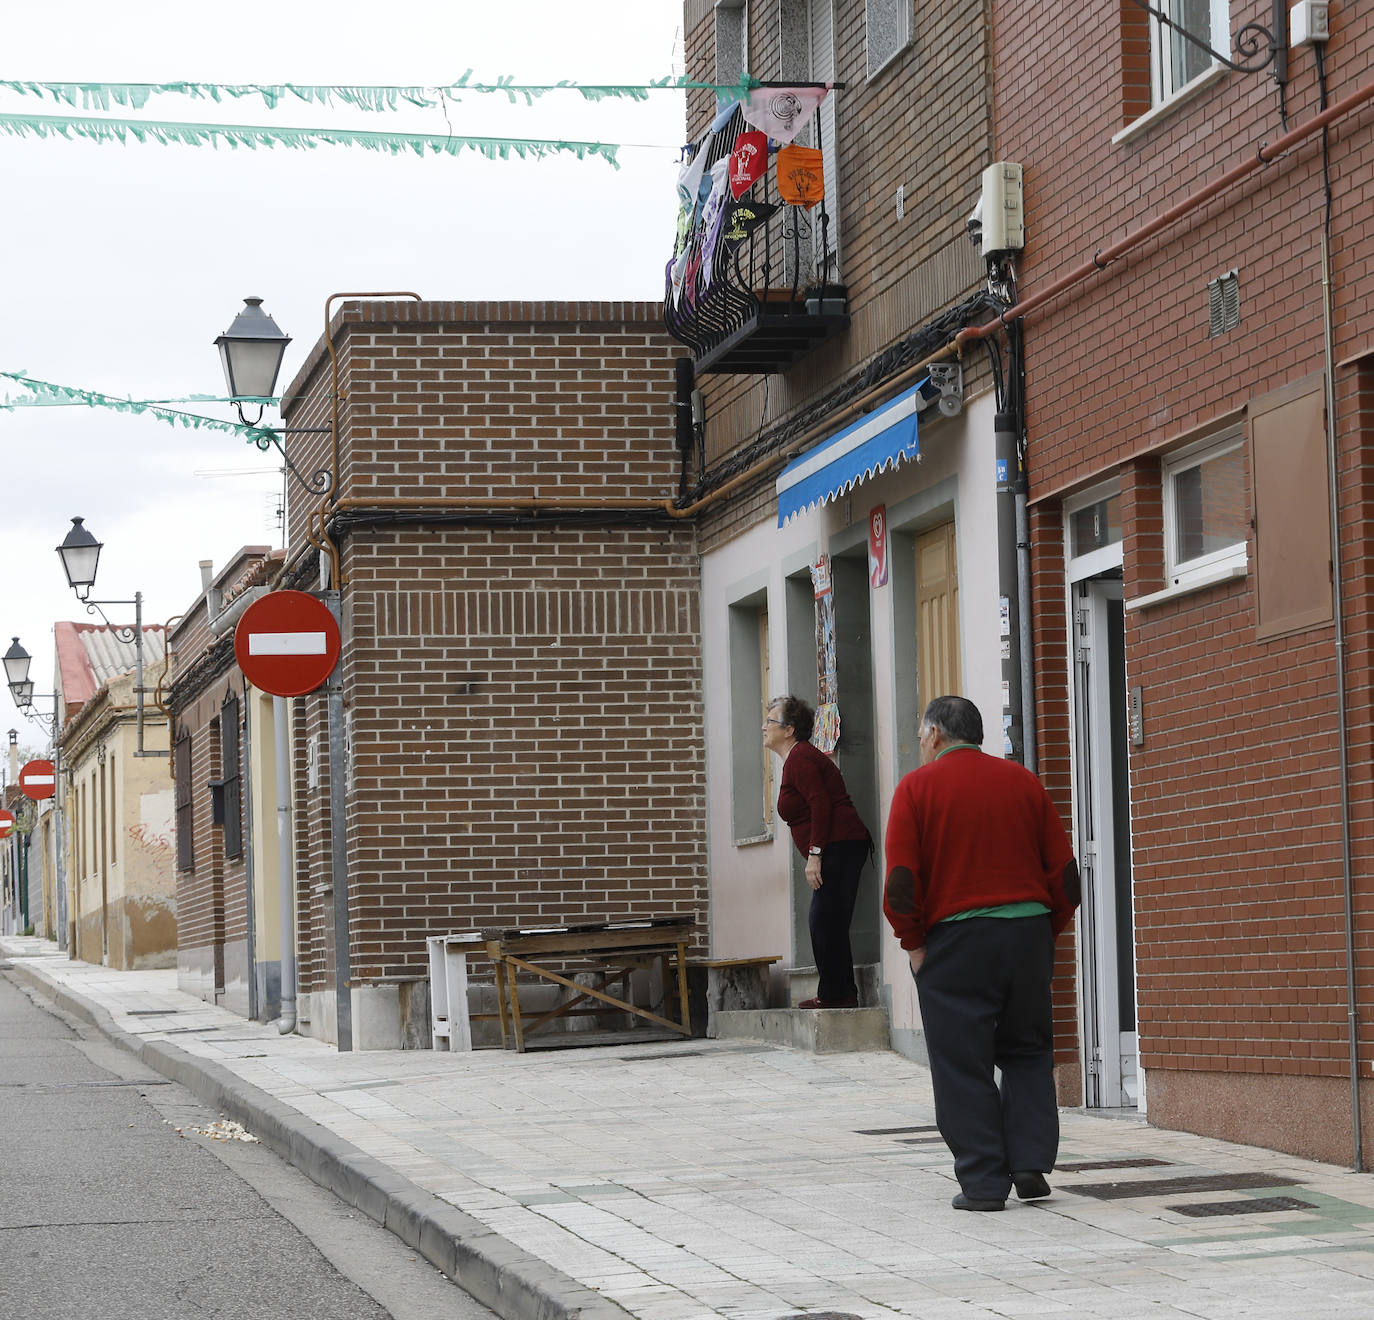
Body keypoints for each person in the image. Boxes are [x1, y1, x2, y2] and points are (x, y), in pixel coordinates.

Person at [883, 695, 1080, 1212]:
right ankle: (1030, 1163)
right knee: (1029, 1050)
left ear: (932, 736)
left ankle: (984, 1183)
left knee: (961, 1063)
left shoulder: (916, 789)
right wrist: (1045, 933)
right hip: (1028, 934)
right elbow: (1065, 877)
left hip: (957, 942)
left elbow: (901, 884)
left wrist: (916, 946)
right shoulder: (1024, 783)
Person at [764, 695, 872, 1009]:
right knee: (828, 920)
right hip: (838, 845)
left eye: (770, 721)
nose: (764, 727)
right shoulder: (798, 758)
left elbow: (820, 804)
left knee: (824, 920)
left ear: (789, 729)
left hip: (840, 844)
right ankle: (841, 993)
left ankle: (836, 994)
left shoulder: (801, 758)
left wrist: (815, 854)